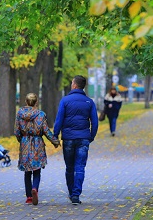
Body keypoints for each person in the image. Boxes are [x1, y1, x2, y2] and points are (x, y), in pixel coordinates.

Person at [54, 75, 98, 205]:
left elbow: (59, 120)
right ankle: (76, 195)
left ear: (74, 85)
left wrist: (55, 135)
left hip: (68, 138)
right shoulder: (89, 102)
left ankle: (71, 191)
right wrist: (91, 136)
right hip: (83, 137)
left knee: (69, 167)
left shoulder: (65, 101)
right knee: (80, 167)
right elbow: (94, 123)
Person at [14, 93, 60, 205]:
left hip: (25, 143)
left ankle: (29, 197)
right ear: (36, 102)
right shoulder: (40, 114)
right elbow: (46, 130)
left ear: (26, 102)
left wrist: (22, 139)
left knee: (27, 171)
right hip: (37, 143)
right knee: (37, 169)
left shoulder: (19, 114)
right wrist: (55, 141)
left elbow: (16, 131)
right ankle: (35, 188)